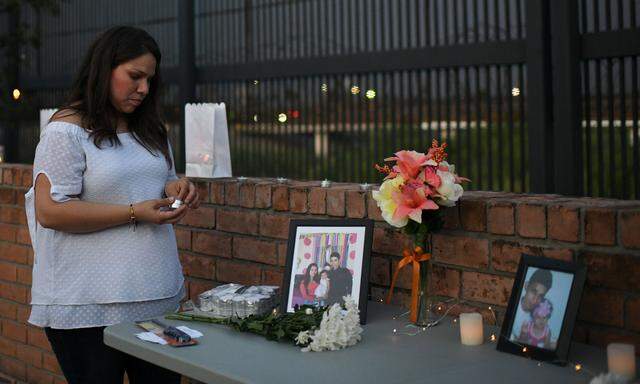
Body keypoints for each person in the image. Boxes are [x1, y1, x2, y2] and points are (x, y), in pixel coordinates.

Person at [25, 26, 200, 384]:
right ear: (104, 68)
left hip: (156, 297)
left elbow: (160, 178)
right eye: (134, 76)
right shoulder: (66, 130)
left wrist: (176, 186)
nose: (144, 89)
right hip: (88, 306)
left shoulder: (150, 127)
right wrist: (134, 212)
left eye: (149, 79)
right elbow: (51, 211)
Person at [510, 268, 553, 342]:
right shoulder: (512, 304)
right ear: (526, 286)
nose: (535, 300)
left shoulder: (537, 320)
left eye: (540, 296)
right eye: (533, 292)